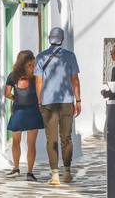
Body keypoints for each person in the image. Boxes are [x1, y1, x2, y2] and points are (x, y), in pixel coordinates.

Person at [35, 26, 81, 186]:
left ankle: (55, 175)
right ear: (62, 39)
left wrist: (40, 101)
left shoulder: (41, 57)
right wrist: (78, 100)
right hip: (66, 101)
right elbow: (74, 79)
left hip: (48, 103)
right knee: (66, 138)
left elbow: (39, 81)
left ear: (49, 38)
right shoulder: (70, 56)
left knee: (51, 139)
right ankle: (67, 172)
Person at [4, 50, 43, 181]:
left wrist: (15, 98)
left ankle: (16, 168)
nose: (33, 64)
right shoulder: (35, 76)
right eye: (31, 62)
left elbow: (7, 93)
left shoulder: (12, 76)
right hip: (32, 111)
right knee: (31, 144)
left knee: (17, 141)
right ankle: (29, 173)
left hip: (19, 111)